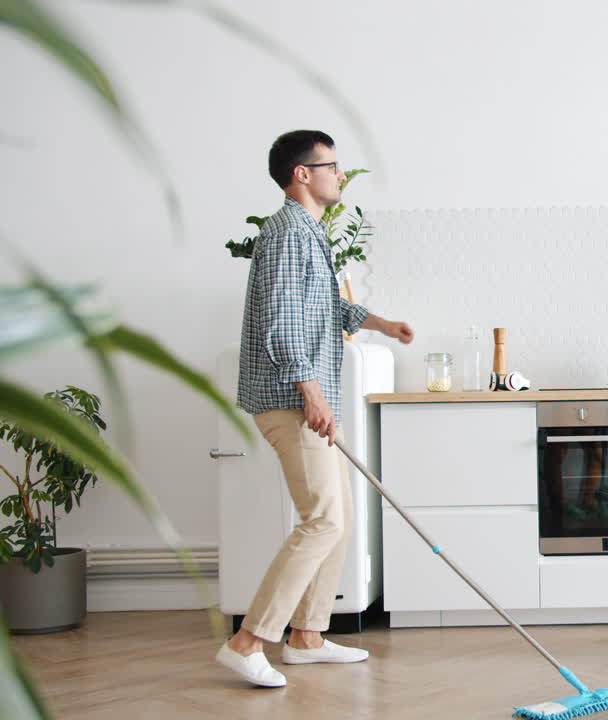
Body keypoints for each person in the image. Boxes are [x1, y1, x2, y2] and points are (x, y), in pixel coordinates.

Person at [217, 129, 414, 687]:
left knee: (338, 518)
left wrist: (380, 323)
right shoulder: (285, 234)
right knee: (323, 519)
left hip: (305, 398)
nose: (339, 175)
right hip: (290, 400)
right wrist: (313, 395)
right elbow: (280, 327)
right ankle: (248, 639)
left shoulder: (308, 232)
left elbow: (325, 306)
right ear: (301, 174)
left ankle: (306, 635)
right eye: (331, 165)